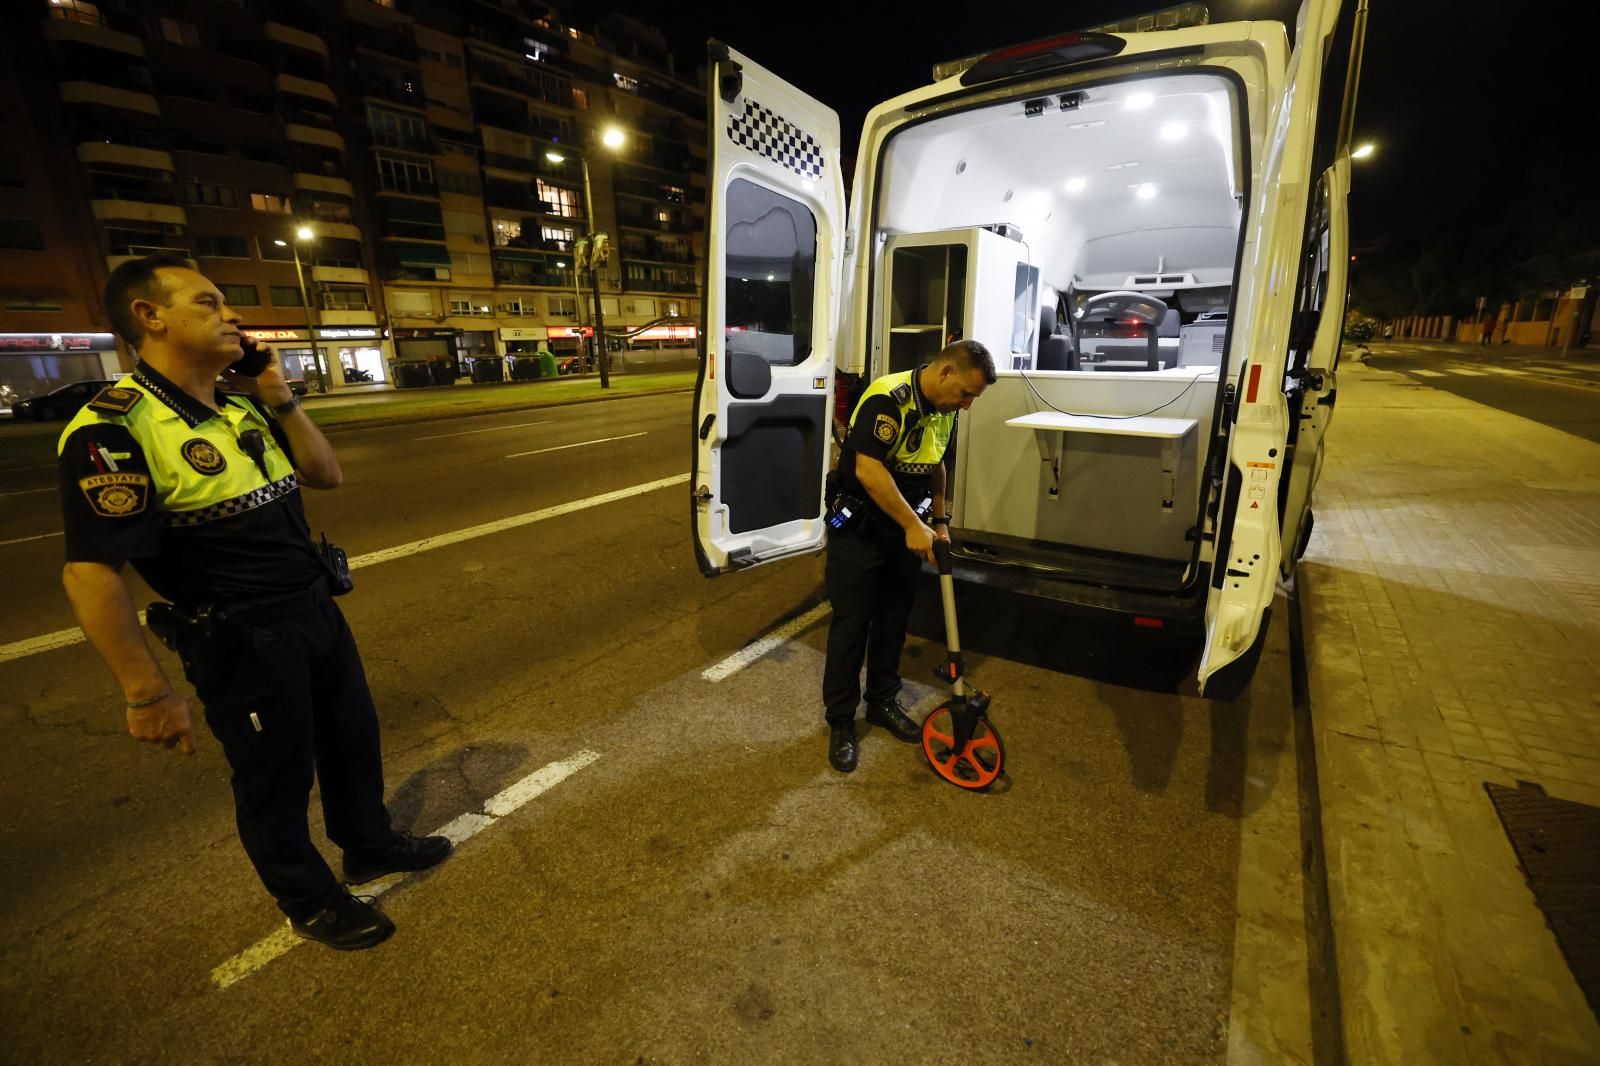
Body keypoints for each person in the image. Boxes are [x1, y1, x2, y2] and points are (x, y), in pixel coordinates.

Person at [58, 253, 450, 951]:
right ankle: (308, 897)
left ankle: (367, 843)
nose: (233, 314)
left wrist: (279, 395)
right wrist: (146, 694)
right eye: (209, 303)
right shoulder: (114, 430)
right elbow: (91, 574)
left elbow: (326, 474)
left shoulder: (240, 406)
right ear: (150, 317)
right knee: (275, 777)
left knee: (352, 738)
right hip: (242, 639)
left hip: (315, 611)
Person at [821, 340, 996, 773]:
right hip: (861, 529)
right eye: (967, 393)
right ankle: (842, 720)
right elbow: (869, 470)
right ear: (946, 373)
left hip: (907, 533)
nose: (969, 405)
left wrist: (939, 521)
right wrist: (913, 526)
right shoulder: (888, 397)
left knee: (894, 619)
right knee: (852, 624)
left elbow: (937, 465)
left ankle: (881, 701)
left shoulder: (945, 411)